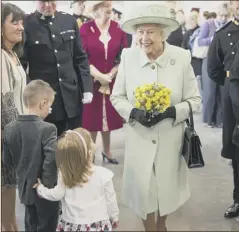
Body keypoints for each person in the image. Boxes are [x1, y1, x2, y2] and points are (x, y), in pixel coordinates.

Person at [111, 3, 201, 231]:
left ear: (163, 33)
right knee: (144, 191)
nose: (144, 38)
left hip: (170, 137)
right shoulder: (128, 57)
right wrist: (133, 113)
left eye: (150, 32)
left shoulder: (181, 57)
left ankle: (161, 226)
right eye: (140, 32)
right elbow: (117, 97)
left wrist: (173, 111)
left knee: (166, 190)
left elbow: (195, 100)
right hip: (139, 137)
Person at [21, 0, 93, 136]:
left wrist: (87, 87)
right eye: (43, 1)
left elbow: (80, 57)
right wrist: (33, 96)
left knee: (75, 144)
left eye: (52, 1)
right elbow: (21, 65)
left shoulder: (69, 21)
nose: (48, 5)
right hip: (45, 101)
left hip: (72, 97)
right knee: (50, 146)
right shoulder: (26, 24)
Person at [33, 128, 119, 232]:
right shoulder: (104, 174)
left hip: (71, 225)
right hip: (98, 225)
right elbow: (111, 201)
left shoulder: (65, 174)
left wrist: (40, 189)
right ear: (89, 152)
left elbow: (56, 194)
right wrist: (114, 217)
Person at [3, 80, 59, 231]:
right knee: (47, 226)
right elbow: (51, 158)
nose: (50, 109)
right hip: (44, 192)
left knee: (30, 224)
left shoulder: (9, 129)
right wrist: (45, 186)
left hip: (24, 190)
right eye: (50, 105)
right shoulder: (48, 128)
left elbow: (7, 161)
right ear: (42, 104)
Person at [80, 1, 128, 164]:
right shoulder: (85, 28)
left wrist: (110, 75)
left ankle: (107, 151)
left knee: (108, 117)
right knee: (92, 119)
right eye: (105, 10)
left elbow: (123, 55)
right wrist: (99, 75)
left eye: (110, 11)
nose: (109, 14)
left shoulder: (118, 28)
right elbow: (81, 56)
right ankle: (90, 152)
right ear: (95, 11)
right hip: (91, 80)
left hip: (111, 81)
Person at [207, 0, 239, 219]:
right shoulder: (223, 34)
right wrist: (230, 86)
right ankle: (238, 199)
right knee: (237, 151)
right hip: (234, 99)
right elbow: (213, 69)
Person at [1, 3, 26, 231]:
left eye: (21, 22)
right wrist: (13, 140)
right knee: (6, 192)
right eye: (14, 22)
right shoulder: (1, 56)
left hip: (14, 132)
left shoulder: (12, 54)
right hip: (6, 136)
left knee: (10, 192)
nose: (20, 27)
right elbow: (6, 104)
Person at [199, 2, 231, 128]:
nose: (223, 18)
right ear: (217, 14)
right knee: (209, 91)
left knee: (221, 92)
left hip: (224, 61)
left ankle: (219, 120)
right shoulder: (208, 24)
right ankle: (208, 120)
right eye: (221, 15)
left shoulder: (229, 26)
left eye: (225, 16)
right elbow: (200, 41)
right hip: (209, 59)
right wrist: (214, 39)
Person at [182, 11, 202, 89]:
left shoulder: (201, 31)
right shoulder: (187, 33)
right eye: (190, 19)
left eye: (193, 19)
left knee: (199, 86)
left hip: (198, 63)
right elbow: (184, 47)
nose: (191, 21)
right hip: (189, 62)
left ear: (197, 20)